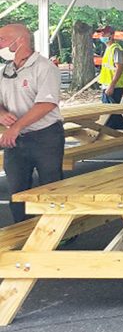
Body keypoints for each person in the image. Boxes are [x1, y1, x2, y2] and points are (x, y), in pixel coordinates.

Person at [0, 23, 64, 223]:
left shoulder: (45, 68)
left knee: (51, 187)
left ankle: (58, 231)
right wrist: (1, 114)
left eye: (2, 39)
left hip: (45, 136)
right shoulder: (5, 71)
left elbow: (46, 103)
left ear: (20, 41)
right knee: (17, 191)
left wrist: (16, 127)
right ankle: (23, 232)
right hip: (16, 140)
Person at [96, 25, 123, 130]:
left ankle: (122, 132)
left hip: (114, 87)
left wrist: (111, 85)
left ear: (111, 35)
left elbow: (119, 68)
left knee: (110, 114)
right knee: (112, 114)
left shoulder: (116, 49)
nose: (101, 35)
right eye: (100, 33)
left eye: (104, 33)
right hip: (107, 85)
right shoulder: (108, 49)